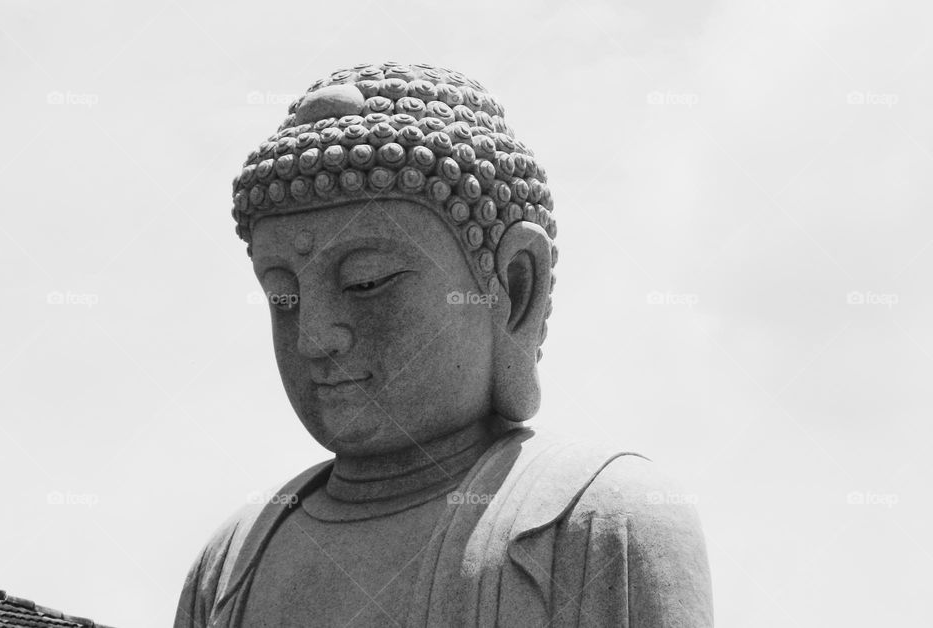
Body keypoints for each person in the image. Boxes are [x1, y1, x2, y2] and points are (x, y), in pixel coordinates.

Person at [174, 62, 713, 627]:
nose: (314, 338)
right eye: (283, 297)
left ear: (514, 287)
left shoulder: (594, 521)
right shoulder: (232, 560)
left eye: (366, 283)